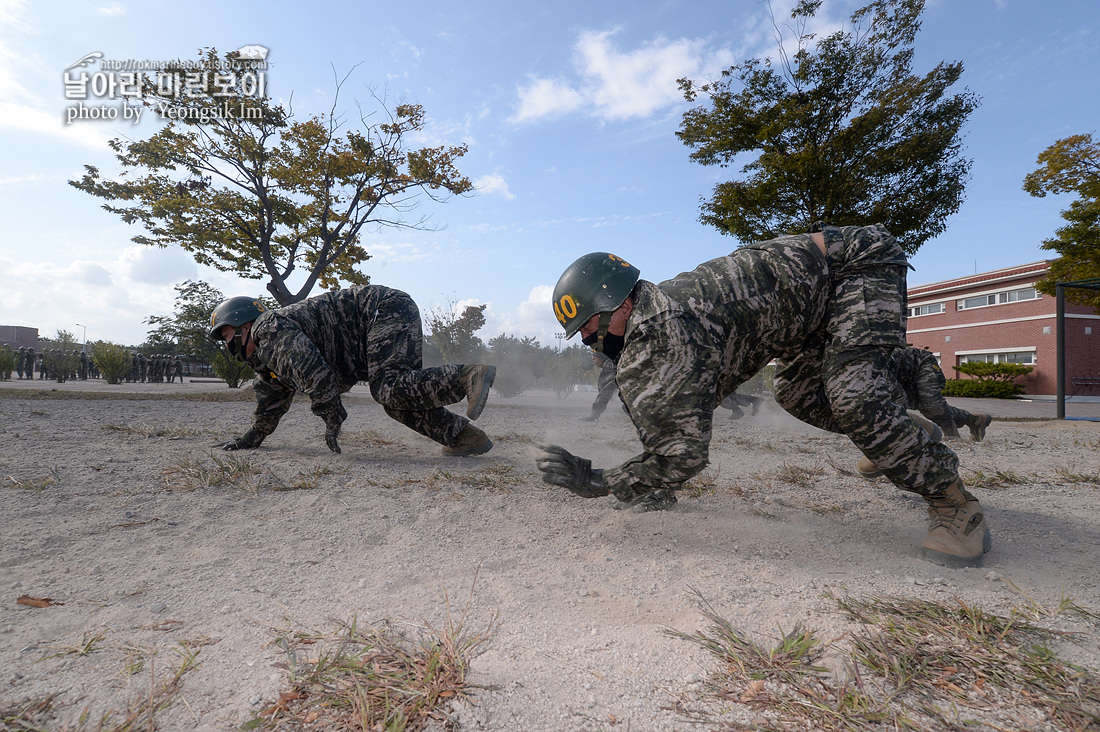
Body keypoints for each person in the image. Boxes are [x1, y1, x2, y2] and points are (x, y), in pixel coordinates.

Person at [536, 226, 991, 569]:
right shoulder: (652, 326)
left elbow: (685, 452)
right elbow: (675, 417)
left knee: (853, 393)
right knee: (796, 392)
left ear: (622, 305)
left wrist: (601, 481)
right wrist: (653, 483)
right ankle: (901, 431)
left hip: (854, 268)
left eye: (591, 329)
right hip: (808, 312)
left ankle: (955, 505)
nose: (588, 342)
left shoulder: (663, 330)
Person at [208, 286, 497, 457]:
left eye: (227, 334)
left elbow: (314, 373)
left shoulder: (267, 328)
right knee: (394, 400)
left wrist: (332, 416)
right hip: (383, 315)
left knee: (387, 386)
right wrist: (250, 439)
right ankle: (464, 437)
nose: (226, 343)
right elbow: (270, 402)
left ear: (246, 325)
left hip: (382, 310)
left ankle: (466, 377)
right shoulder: (269, 359)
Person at [580, 352, 622, 422]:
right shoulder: (609, 366)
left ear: (601, 358)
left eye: (594, 359)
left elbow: (605, 393)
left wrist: (594, 415)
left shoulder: (611, 366)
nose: (593, 362)